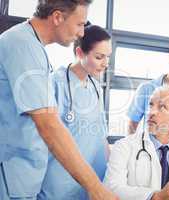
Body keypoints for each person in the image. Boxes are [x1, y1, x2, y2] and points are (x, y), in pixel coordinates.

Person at [0, 1, 118, 200]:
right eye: (80, 24)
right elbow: (49, 125)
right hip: (13, 175)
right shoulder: (22, 45)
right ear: (57, 17)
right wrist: (95, 187)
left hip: (24, 179)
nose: (82, 33)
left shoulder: (34, 48)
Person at [37, 25, 112, 200]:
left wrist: (111, 170)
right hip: (60, 181)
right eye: (99, 57)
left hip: (94, 178)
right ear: (79, 53)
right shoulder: (55, 83)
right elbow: (46, 135)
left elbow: (102, 136)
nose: (105, 64)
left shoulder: (95, 87)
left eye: (108, 57)